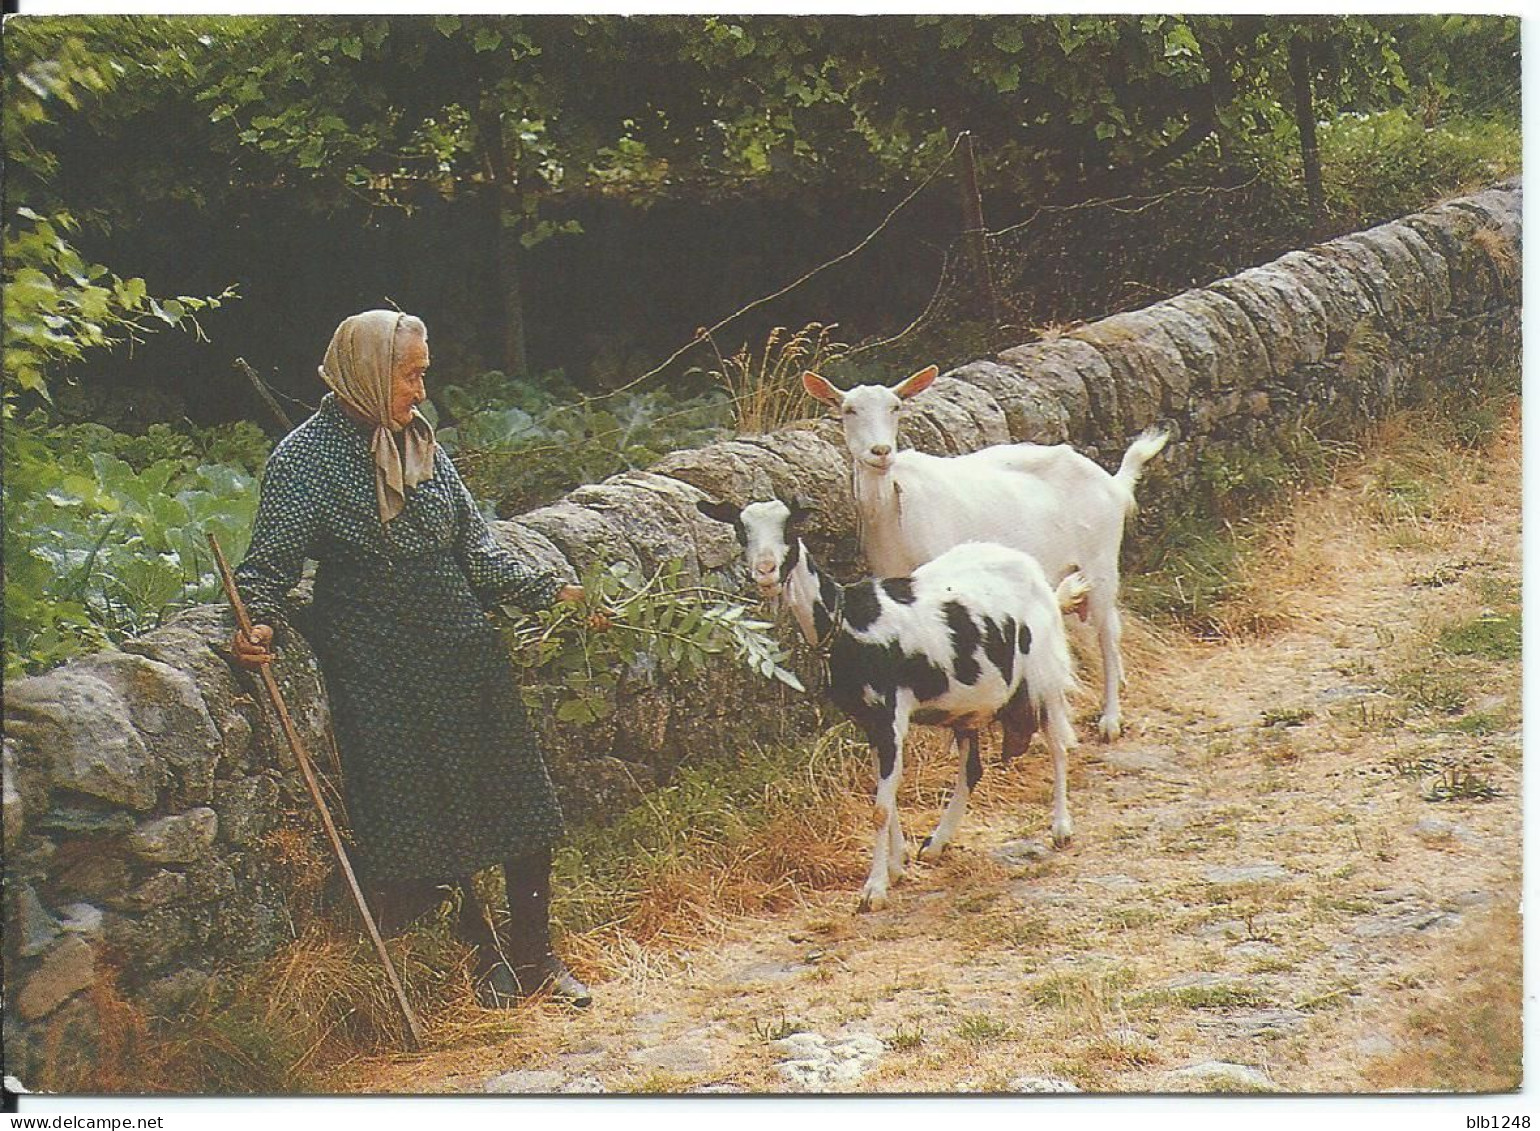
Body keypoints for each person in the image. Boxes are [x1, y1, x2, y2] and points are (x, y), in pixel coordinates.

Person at [231, 309, 591, 1008]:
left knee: (520, 800)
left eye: (423, 373)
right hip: (379, 666)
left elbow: (480, 555)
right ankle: (480, 953)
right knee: (422, 817)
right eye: (411, 374)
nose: (422, 391)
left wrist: (555, 593)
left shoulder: (421, 444)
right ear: (366, 371)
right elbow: (264, 571)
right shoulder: (303, 463)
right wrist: (258, 625)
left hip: (462, 650)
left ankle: (537, 955)